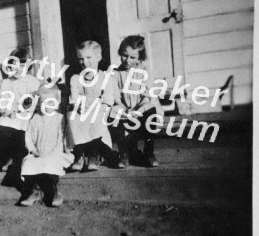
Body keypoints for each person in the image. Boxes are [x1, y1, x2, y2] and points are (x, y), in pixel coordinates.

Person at [111, 35, 163, 168]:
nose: (127, 60)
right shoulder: (116, 73)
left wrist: (138, 111)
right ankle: (124, 154)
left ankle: (149, 152)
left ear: (139, 58)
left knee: (151, 109)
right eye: (124, 55)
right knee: (112, 112)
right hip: (125, 110)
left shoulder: (144, 71)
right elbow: (116, 95)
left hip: (142, 111)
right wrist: (123, 107)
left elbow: (147, 97)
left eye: (132, 57)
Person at [19, 85, 74, 207]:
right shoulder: (35, 118)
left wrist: (52, 153)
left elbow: (61, 139)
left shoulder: (60, 119)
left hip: (55, 152)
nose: (47, 107)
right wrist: (33, 150)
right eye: (43, 103)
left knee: (50, 163)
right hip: (38, 152)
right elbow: (28, 137)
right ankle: (34, 191)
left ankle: (54, 192)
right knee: (29, 162)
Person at [67, 41, 117, 172]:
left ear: (99, 57)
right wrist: (78, 106)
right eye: (81, 59)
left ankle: (93, 155)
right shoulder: (75, 78)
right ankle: (79, 154)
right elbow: (74, 98)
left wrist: (96, 107)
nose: (84, 62)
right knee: (72, 116)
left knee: (95, 118)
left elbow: (108, 99)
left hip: (99, 110)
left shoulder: (105, 78)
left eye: (88, 57)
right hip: (82, 110)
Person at [0, 48, 40, 188]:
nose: (19, 69)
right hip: (11, 114)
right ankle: (11, 156)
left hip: (26, 114)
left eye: (23, 65)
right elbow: (3, 101)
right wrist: (8, 110)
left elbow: (33, 102)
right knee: (4, 124)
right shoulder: (6, 83)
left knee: (23, 128)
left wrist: (23, 108)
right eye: (15, 65)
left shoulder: (32, 82)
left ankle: (17, 160)